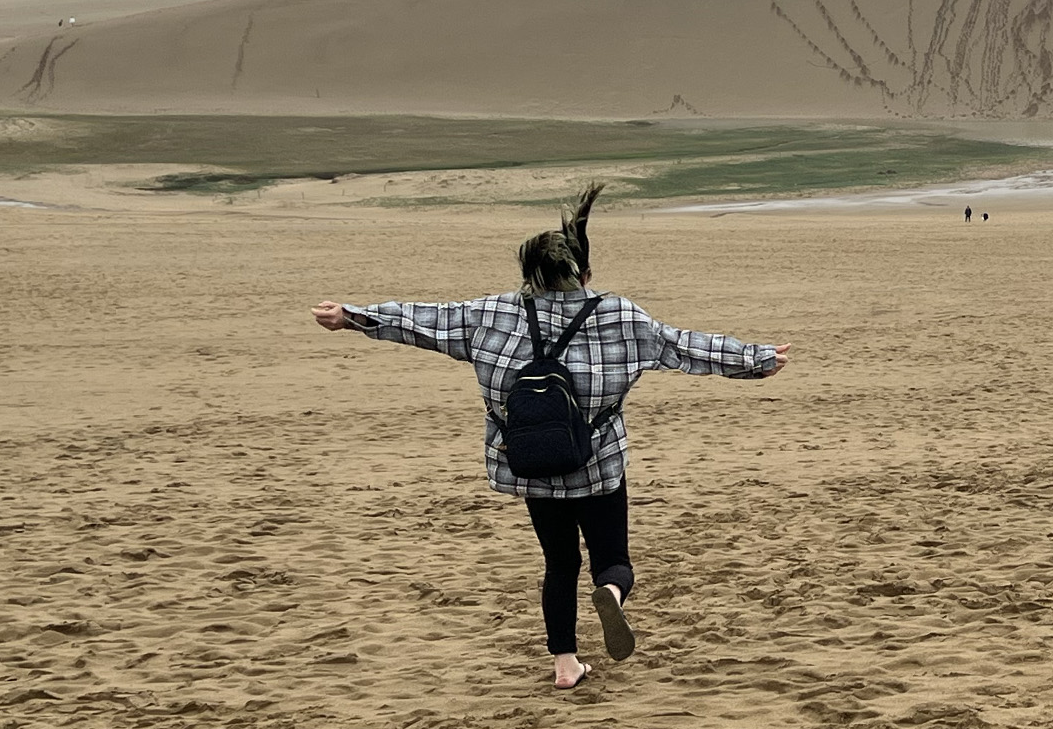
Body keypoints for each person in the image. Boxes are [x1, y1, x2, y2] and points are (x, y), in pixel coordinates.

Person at [310, 185, 789, 690]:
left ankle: (565, 665)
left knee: (559, 562)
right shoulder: (620, 316)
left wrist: (353, 316)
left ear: (527, 276)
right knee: (614, 559)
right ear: (585, 275)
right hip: (598, 465)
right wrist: (757, 360)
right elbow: (688, 347)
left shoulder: (489, 314)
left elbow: (423, 320)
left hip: (532, 465)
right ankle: (610, 592)